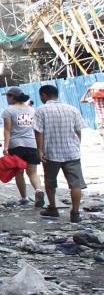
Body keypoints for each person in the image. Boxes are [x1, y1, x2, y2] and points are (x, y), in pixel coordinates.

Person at [34, 84, 87, 223]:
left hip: (51, 153)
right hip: (72, 153)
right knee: (76, 184)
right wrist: (76, 145)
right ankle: (75, 213)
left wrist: (39, 150)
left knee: (50, 182)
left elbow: (38, 132)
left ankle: (52, 208)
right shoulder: (72, 109)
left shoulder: (41, 110)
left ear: (44, 95)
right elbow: (78, 130)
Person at [1, 87, 44, 207]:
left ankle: (24, 198)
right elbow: (37, 130)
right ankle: (38, 190)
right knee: (33, 172)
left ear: (13, 97)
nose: (7, 98)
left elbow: (7, 130)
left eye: (8, 96)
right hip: (31, 145)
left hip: (16, 146)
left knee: (18, 173)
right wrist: (40, 147)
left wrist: (6, 146)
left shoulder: (8, 111)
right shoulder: (32, 110)